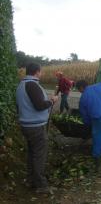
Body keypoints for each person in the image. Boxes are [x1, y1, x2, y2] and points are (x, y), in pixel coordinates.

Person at [16, 63, 58, 194]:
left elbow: (21, 106)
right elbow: (39, 105)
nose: (42, 74)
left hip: (26, 125)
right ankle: (41, 185)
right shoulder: (32, 85)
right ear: (37, 72)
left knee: (32, 154)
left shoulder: (21, 85)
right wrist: (52, 101)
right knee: (39, 155)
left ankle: (31, 180)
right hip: (35, 127)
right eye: (41, 71)